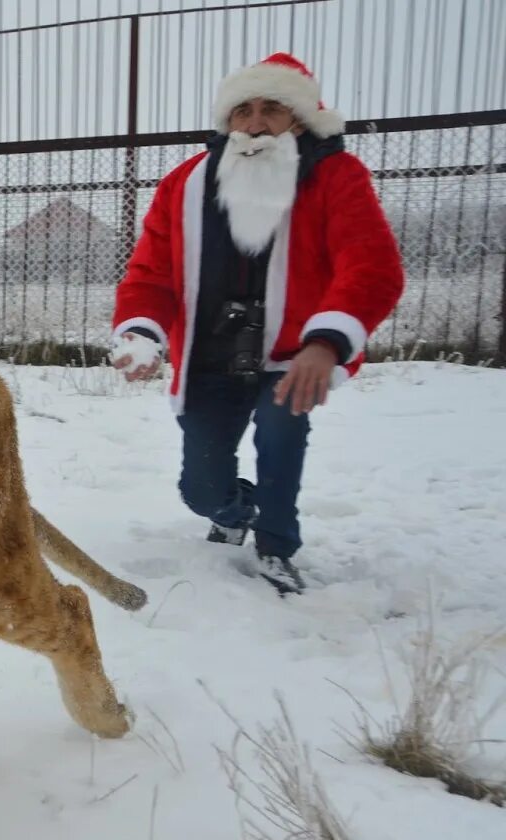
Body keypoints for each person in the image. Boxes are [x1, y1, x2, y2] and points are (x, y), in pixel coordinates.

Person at [109, 52, 403, 594]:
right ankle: (233, 508)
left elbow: (372, 266)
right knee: (199, 486)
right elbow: (150, 273)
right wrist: (142, 332)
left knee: (281, 435)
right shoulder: (184, 184)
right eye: (243, 109)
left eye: (272, 108)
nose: (255, 122)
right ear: (228, 120)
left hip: (294, 353)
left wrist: (327, 343)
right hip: (211, 354)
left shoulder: (336, 176)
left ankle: (275, 545)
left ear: (299, 118)